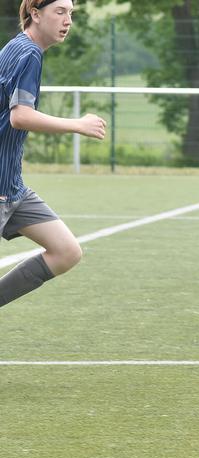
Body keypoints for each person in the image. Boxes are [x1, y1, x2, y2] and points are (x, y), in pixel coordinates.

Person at [0, 0, 105, 308]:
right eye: (60, 11)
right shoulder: (28, 53)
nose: (68, 20)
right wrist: (77, 124)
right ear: (35, 13)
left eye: (71, 13)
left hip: (11, 187)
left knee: (66, 251)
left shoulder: (18, 47)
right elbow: (20, 116)